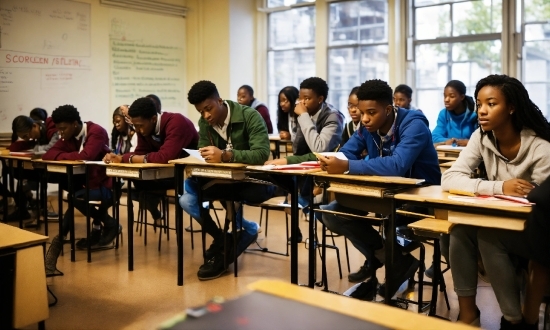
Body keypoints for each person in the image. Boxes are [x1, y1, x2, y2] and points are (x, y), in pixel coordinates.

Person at [442, 74, 550, 329]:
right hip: (497, 218)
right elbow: (450, 179)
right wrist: (500, 186)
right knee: (457, 232)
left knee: (489, 237)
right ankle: (469, 315)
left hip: (534, 230)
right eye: (479, 104)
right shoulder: (482, 138)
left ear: (511, 107)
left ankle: (513, 320)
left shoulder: (540, 148)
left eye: (491, 104)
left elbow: (543, 207)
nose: (482, 111)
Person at [316, 79, 440, 297]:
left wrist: (345, 165)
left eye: (371, 113)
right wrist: (331, 160)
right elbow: (347, 151)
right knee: (331, 213)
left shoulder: (414, 125)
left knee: (391, 224)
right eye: (361, 112)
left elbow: (397, 165)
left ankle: (393, 262)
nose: (364, 119)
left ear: (389, 109)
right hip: (382, 195)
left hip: (417, 200)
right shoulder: (367, 128)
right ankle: (393, 259)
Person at [180, 80, 276, 280]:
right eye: (200, 112)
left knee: (203, 193)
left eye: (208, 109)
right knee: (186, 196)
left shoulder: (250, 116)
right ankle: (226, 238)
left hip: (251, 181)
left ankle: (231, 243)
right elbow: (204, 151)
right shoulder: (204, 123)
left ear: (220, 101)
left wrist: (225, 155)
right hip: (221, 180)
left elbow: (261, 154)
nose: (206, 116)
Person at [266, 77, 344, 242]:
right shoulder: (301, 113)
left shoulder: (333, 117)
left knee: (301, 198)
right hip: (305, 166)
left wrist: (303, 117)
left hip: (326, 170)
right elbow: (298, 145)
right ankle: (298, 231)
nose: (302, 102)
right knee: (289, 193)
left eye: (307, 98)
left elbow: (320, 149)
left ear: (320, 99)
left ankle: (314, 235)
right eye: (300, 98)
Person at [43, 105, 118, 274]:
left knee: (73, 198)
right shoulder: (67, 136)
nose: (60, 134)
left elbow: (87, 157)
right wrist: (67, 155)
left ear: (75, 124)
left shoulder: (96, 132)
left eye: (63, 129)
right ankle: (107, 223)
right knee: (73, 196)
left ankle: (59, 243)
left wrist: (63, 156)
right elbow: (48, 154)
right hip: (84, 185)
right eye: (58, 129)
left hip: (105, 185)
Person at [103, 97, 199, 226]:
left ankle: (219, 236)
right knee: (136, 180)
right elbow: (140, 152)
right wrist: (120, 157)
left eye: (140, 126)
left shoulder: (176, 122)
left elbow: (165, 157)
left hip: (190, 178)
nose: (138, 130)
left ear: (153, 119)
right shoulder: (144, 128)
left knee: (141, 184)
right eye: (135, 126)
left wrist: (129, 158)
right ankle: (152, 207)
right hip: (166, 175)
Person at [6, 114, 59, 222]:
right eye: (24, 137)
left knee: (26, 176)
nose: (27, 139)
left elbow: (53, 148)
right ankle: (24, 207)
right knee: (14, 170)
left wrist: (35, 149)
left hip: (55, 169)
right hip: (40, 166)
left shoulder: (52, 128)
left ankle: (32, 203)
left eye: (26, 135)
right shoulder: (36, 135)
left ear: (34, 125)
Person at [432, 80, 477, 146]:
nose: (446, 100)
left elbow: (484, 140)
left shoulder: (475, 114)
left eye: (452, 96)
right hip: (450, 154)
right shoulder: (444, 114)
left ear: (462, 97)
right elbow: (434, 136)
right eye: (445, 96)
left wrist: (470, 142)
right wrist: (446, 141)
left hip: (472, 154)